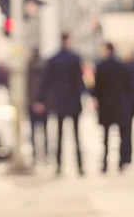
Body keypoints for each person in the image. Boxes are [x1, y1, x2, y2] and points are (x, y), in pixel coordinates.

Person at [33, 32, 85, 176]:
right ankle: (80, 166)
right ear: (68, 40)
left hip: (60, 101)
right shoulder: (75, 58)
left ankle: (59, 165)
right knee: (76, 136)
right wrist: (87, 96)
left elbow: (46, 82)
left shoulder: (54, 59)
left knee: (59, 135)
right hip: (73, 101)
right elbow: (80, 81)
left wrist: (40, 100)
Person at [94, 43, 132, 173]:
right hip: (119, 104)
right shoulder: (121, 66)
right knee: (121, 135)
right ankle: (121, 162)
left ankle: (105, 163)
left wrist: (96, 100)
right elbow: (128, 85)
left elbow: (97, 87)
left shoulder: (100, 66)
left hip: (106, 105)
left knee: (105, 137)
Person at [27, 48, 48, 164]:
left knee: (33, 130)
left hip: (33, 104)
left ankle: (35, 153)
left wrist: (33, 103)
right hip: (42, 104)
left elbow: (28, 89)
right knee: (43, 130)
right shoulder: (45, 68)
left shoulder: (28, 67)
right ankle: (44, 153)